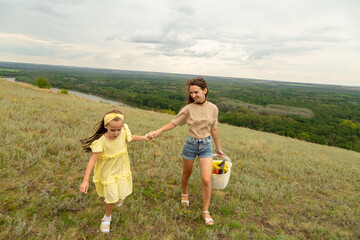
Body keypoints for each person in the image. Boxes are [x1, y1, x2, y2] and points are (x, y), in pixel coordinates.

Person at [148, 77, 225, 226]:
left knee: (206, 179)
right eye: (191, 93)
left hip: (206, 145)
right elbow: (174, 122)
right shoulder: (188, 109)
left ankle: (206, 211)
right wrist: (158, 131)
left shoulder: (213, 108)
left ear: (205, 90)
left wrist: (218, 148)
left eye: (196, 92)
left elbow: (214, 129)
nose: (193, 96)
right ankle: (184, 193)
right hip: (191, 144)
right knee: (186, 173)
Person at [79, 109, 150, 233]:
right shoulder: (101, 142)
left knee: (121, 193)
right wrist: (85, 181)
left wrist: (144, 137)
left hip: (121, 168)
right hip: (108, 173)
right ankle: (107, 217)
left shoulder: (122, 132)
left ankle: (119, 198)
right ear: (106, 126)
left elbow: (130, 138)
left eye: (119, 129)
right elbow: (92, 161)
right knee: (111, 197)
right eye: (113, 130)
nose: (116, 133)